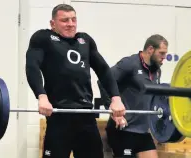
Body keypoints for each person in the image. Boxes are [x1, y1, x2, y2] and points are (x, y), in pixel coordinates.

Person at [25, 4, 126, 158]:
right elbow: (32, 66)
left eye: (73, 19)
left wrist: (116, 99)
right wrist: (41, 96)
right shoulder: (42, 38)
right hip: (59, 115)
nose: (70, 24)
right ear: (53, 24)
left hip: (86, 115)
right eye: (65, 20)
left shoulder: (85, 40)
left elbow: (104, 70)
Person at [98, 34, 168, 158]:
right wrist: (112, 110)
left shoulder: (157, 70)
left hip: (143, 132)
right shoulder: (129, 64)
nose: (164, 57)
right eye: (161, 53)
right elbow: (104, 81)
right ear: (150, 49)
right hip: (123, 129)